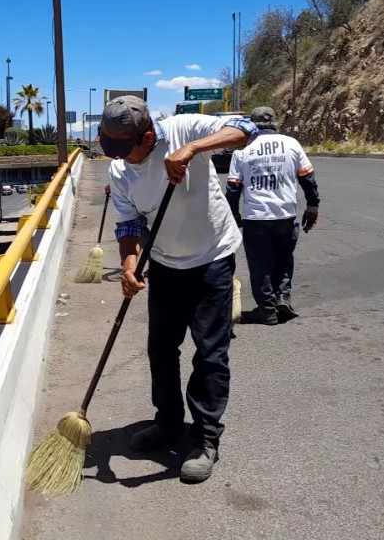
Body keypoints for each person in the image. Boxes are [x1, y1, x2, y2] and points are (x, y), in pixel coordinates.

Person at [100, 95, 259, 482]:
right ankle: (169, 421)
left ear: (149, 135)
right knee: (161, 348)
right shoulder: (120, 170)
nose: (121, 157)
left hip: (212, 259)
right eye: (111, 147)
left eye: (126, 147)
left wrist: (191, 150)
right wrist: (130, 265)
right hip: (167, 263)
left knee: (209, 353)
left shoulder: (182, 129)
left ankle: (205, 440)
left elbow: (248, 129)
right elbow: (129, 224)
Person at [225, 106, 320, 325]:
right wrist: (312, 207)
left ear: (251, 125)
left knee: (260, 264)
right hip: (285, 215)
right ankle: (282, 298)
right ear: (274, 123)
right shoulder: (291, 144)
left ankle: (266, 309)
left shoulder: (242, 150)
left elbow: (233, 188)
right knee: (284, 258)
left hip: (255, 217)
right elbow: (308, 179)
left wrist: (233, 215)